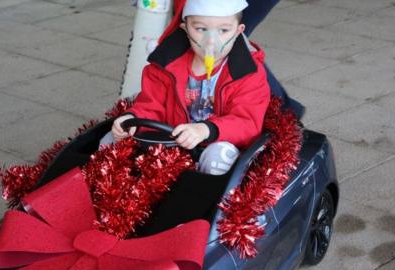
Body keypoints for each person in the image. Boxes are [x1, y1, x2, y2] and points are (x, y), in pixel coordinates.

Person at [100, 0, 270, 175]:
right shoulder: (164, 67)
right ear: (186, 29)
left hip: (215, 144)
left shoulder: (248, 74)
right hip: (170, 146)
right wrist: (132, 118)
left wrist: (206, 130)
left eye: (223, 30)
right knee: (109, 140)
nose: (211, 41)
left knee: (219, 156)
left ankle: (208, 199)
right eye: (201, 29)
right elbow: (152, 105)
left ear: (238, 31)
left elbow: (247, 121)